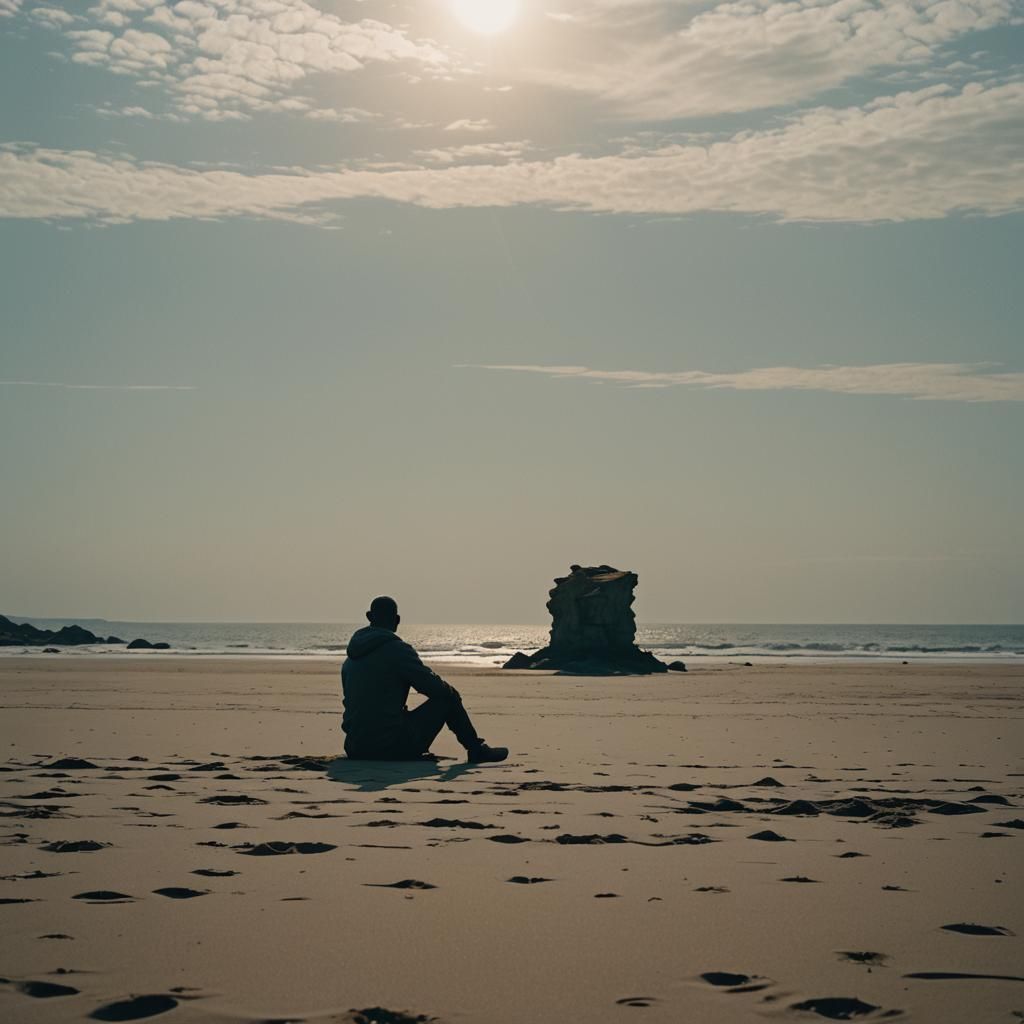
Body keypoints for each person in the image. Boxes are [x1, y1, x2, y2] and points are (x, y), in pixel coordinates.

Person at [341, 596, 508, 763]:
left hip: (355, 747)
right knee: (449, 697)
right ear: (397, 620)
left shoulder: (351, 658)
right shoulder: (398, 650)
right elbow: (434, 688)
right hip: (388, 747)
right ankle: (476, 749)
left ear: (369, 617)